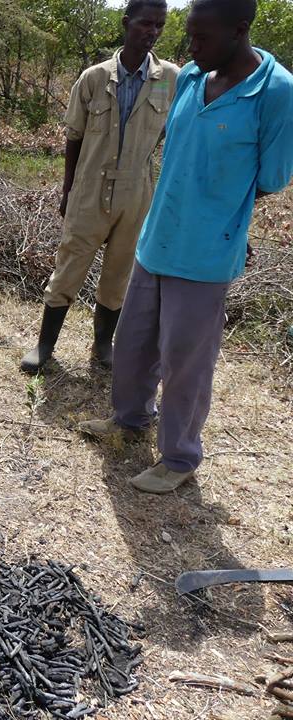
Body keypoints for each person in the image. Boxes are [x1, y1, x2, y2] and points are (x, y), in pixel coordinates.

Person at [79, 0, 293, 493]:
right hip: (157, 237)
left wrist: (221, 214)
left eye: (202, 37)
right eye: (190, 36)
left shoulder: (275, 91)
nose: (190, 48)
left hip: (204, 254)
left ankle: (178, 458)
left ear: (240, 31)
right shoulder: (194, 75)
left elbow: (273, 177)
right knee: (133, 344)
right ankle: (128, 419)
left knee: (185, 361)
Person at [21, 0, 179, 373]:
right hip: (90, 189)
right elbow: (73, 137)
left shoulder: (171, 78)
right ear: (126, 23)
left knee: (119, 273)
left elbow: (171, 136)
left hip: (137, 192)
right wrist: (68, 190)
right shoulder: (94, 77)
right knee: (70, 267)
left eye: (159, 25)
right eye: (144, 24)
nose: (152, 32)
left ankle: (102, 346)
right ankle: (45, 346)